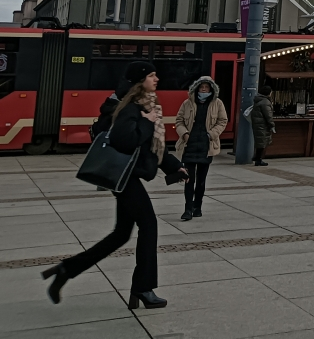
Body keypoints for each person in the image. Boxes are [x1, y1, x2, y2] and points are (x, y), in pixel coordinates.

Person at [44, 61, 186, 309]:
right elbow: (125, 141)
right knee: (149, 225)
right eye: (152, 75)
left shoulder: (143, 106)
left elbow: (150, 147)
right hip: (125, 178)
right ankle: (143, 287)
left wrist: (174, 166)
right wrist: (147, 122)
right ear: (140, 80)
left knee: (121, 234)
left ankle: (66, 270)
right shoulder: (131, 108)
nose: (157, 79)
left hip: (126, 176)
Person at [174, 76, 228, 220]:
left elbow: (222, 121)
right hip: (189, 146)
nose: (203, 89)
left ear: (211, 89)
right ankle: (188, 209)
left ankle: (197, 206)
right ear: (197, 88)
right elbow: (179, 120)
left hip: (206, 147)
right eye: (201, 87)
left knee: (201, 180)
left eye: (206, 87)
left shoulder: (217, 103)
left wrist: (211, 135)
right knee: (188, 179)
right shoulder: (187, 103)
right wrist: (185, 134)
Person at [250, 84, 275, 166]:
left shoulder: (258, 99)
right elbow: (268, 115)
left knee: (260, 141)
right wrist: (272, 124)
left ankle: (257, 157)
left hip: (258, 124)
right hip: (262, 125)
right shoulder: (265, 102)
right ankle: (258, 159)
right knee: (262, 142)